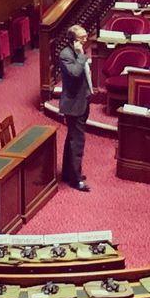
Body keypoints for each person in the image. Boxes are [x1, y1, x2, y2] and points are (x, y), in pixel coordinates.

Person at [58, 23, 93, 192]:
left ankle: (68, 172)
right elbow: (75, 73)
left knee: (72, 138)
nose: (85, 40)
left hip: (82, 101)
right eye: (82, 38)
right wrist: (81, 56)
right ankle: (75, 179)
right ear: (73, 40)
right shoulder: (66, 54)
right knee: (77, 141)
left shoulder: (77, 52)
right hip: (73, 104)